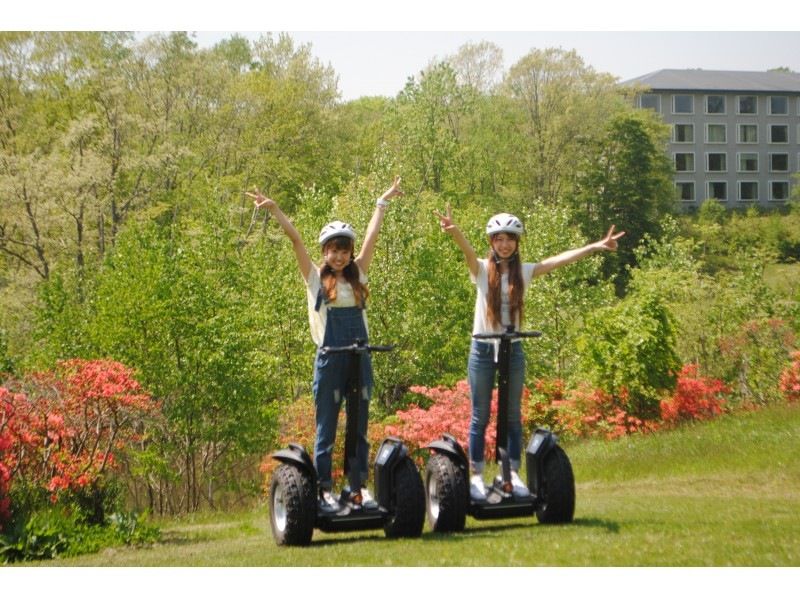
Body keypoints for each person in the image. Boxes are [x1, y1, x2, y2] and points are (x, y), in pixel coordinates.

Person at [434, 207, 624, 501]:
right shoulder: (482, 269)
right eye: (499, 239)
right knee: (480, 415)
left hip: (514, 347)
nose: (505, 244)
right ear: (492, 242)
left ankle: (510, 474)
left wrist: (595, 247)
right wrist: (455, 231)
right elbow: (468, 252)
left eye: (510, 239)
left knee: (512, 417)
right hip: (483, 348)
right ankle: (475, 477)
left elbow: (558, 260)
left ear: (517, 242)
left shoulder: (524, 271)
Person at [247, 177, 403, 511]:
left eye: (344, 250)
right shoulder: (315, 278)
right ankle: (323, 489)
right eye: (333, 250)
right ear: (325, 252)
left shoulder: (359, 273)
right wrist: (274, 209)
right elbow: (296, 240)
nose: (339, 256)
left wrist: (382, 202)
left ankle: (356, 487)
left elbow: (373, 236)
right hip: (330, 360)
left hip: (360, 358)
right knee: (327, 427)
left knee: (359, 427)